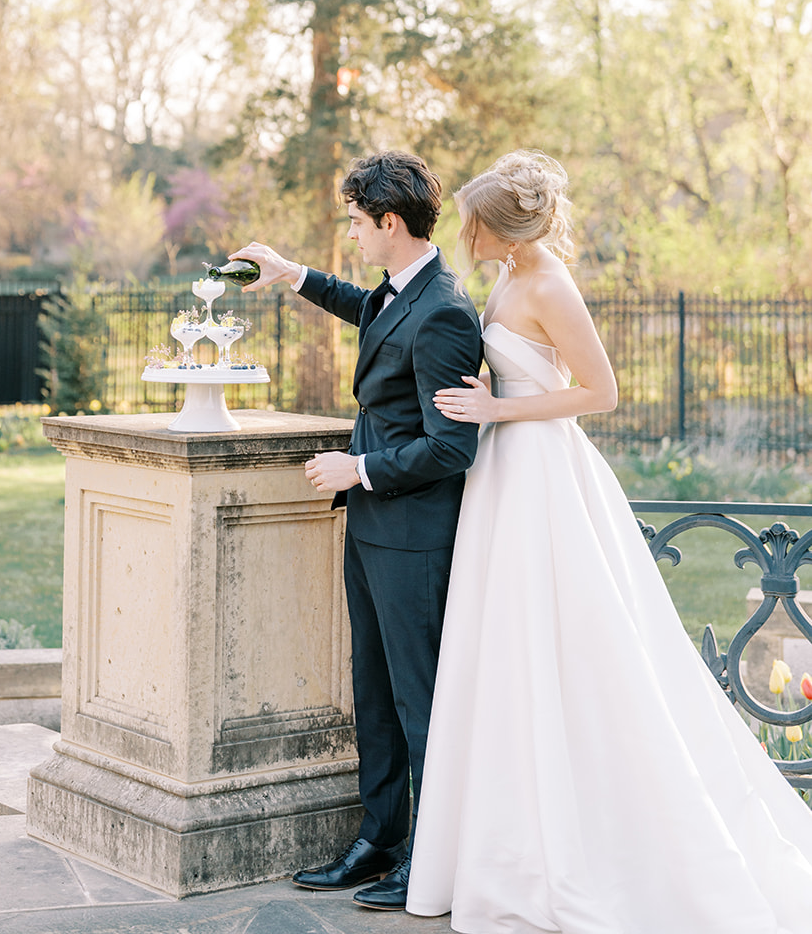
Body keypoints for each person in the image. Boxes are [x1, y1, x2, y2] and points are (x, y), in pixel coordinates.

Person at [406, 149, 812, 933]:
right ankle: (508, 838)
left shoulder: (550, 284)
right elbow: (526, 370)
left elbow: (599, 391)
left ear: (505, 230)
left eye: (473, 222)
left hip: (543, 477)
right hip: (502, 474)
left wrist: (499, 412)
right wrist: (495, 396)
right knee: (508, 647)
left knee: (570, 644)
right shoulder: (506, 276)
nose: (463, 233)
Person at [234, 150, 481, 910]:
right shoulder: (400, 291)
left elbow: (450, 445)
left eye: (355, 223)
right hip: (375, 526)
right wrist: (291, 273)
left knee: (419, 702)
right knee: (371, 693)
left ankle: (430, 857)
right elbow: (369, 312)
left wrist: (358, 470)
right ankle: (379, 839)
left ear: (391, 223)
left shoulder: (442, 309)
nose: (351, 236)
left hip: (413, 533)